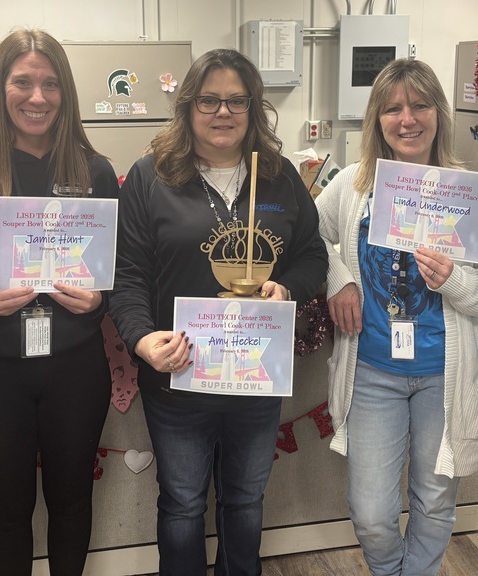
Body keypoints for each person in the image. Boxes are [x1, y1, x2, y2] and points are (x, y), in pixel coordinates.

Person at [111, 48, 327, 575]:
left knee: (246, 502)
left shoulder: (278, 177)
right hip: (178, 375)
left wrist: (287, 289)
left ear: (254, 109)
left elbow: (312, 253)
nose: (222, 112)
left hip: (256, 375)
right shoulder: (151, 178)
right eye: (209, 100)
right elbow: (128, 274)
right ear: (188, 107)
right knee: (182, 504)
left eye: (236, 100)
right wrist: (141, 340)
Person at [316, 58, 478, 576]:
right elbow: (307, 237)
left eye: (420, 105)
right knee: (373, 512)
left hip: (443, 378)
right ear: (376, 120)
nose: (407, 119)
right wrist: (339, 278)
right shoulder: (354, 187)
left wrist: (453, 280)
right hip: (374, 373)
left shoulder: (469, 197)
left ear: (438, 114)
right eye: (392, 108)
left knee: (434, 501)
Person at [0, 28, 119, 576]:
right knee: (7, 513)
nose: (37, 97)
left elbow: (117, 274)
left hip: (76, 371)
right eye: (22, 82)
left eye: (50, 84)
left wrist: (97, 301)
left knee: (72, 505)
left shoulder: (96, 172)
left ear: (66, 95)